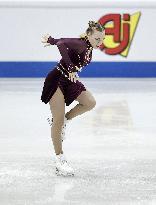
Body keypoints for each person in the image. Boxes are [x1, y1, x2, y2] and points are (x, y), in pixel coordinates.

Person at [41, 20, 105, 176]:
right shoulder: (82, 44)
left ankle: (64, 121)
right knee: (58, 120)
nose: (100, 42)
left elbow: (61, 42)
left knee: (89, 102)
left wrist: (52, 40)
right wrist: (70, 66)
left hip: (69, 81)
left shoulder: (88, 46)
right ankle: (59, 159)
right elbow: (62, 43)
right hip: (57, 79)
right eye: (97, 39)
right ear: (89, 35)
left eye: (102, 39)